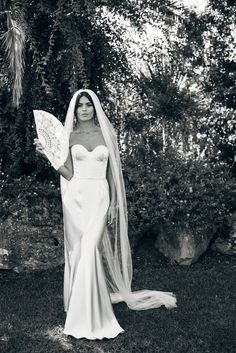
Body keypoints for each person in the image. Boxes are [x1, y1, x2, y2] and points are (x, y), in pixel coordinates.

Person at [34, 89, 177, 340]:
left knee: (90, 249)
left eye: (89, 104)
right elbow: (68, 173)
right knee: (80, 253)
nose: (85, 109)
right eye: (80, 106)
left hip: (100, 197)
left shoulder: (106, 134)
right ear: (75, 110)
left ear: (95, 108)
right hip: (76, 199)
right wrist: (48, 153)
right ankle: (81, 309)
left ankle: (90, 313)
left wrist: (112, 204)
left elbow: (112, 173)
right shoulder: (69, 135)